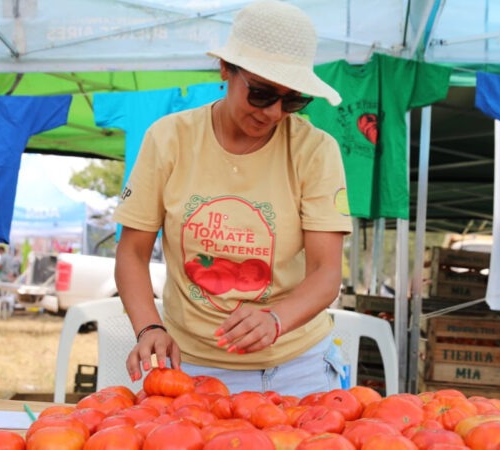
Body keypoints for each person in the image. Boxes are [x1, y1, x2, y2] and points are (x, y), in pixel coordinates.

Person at [113, 0, 352, 397]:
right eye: (260, 94)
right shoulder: (169, 139)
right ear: (226, 69)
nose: (274, 113)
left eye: (292, 100)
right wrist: (149, 327)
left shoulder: (315, 150)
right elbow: (132, 253)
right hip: (190, 367)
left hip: (297, 366)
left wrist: (277, 318)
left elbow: (326, 272)